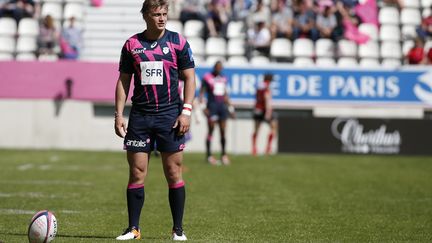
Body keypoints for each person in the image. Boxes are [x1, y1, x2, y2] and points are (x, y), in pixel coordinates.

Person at [114, 0, 196, 241]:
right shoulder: (132, 44)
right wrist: (119, 114)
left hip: (170, 116)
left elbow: (190, 78)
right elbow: (123, 81)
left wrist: (187, 111)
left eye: (164, 13)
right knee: (137, 173)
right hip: (140, 116)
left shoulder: (178, 42)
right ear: (145, 15)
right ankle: (133, 229)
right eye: (156, 14)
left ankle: (178, 229)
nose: (161, 18)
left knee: (173, 172)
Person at [199, 60, 235, 165]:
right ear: (214, 68)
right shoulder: (207, 78)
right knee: (211, 130)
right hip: (212, 107)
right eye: (217, 67)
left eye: (220, 67)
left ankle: (224, 154)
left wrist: (231, 108)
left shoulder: (223, 79)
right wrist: (203, 107)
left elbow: (225, 94)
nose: (219, 69)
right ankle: (209, 155)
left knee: (223, 131)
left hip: (222, 107)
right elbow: (202, 93)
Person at [252, 73, 277, 156]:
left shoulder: (259, 86)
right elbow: (267, 99)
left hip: (257, 109)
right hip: (264, 109)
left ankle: (254, 148)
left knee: (256, 129)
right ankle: (268, 148)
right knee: (273, 127)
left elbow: (256, 97)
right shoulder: (267, 87)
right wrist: (268, 112)